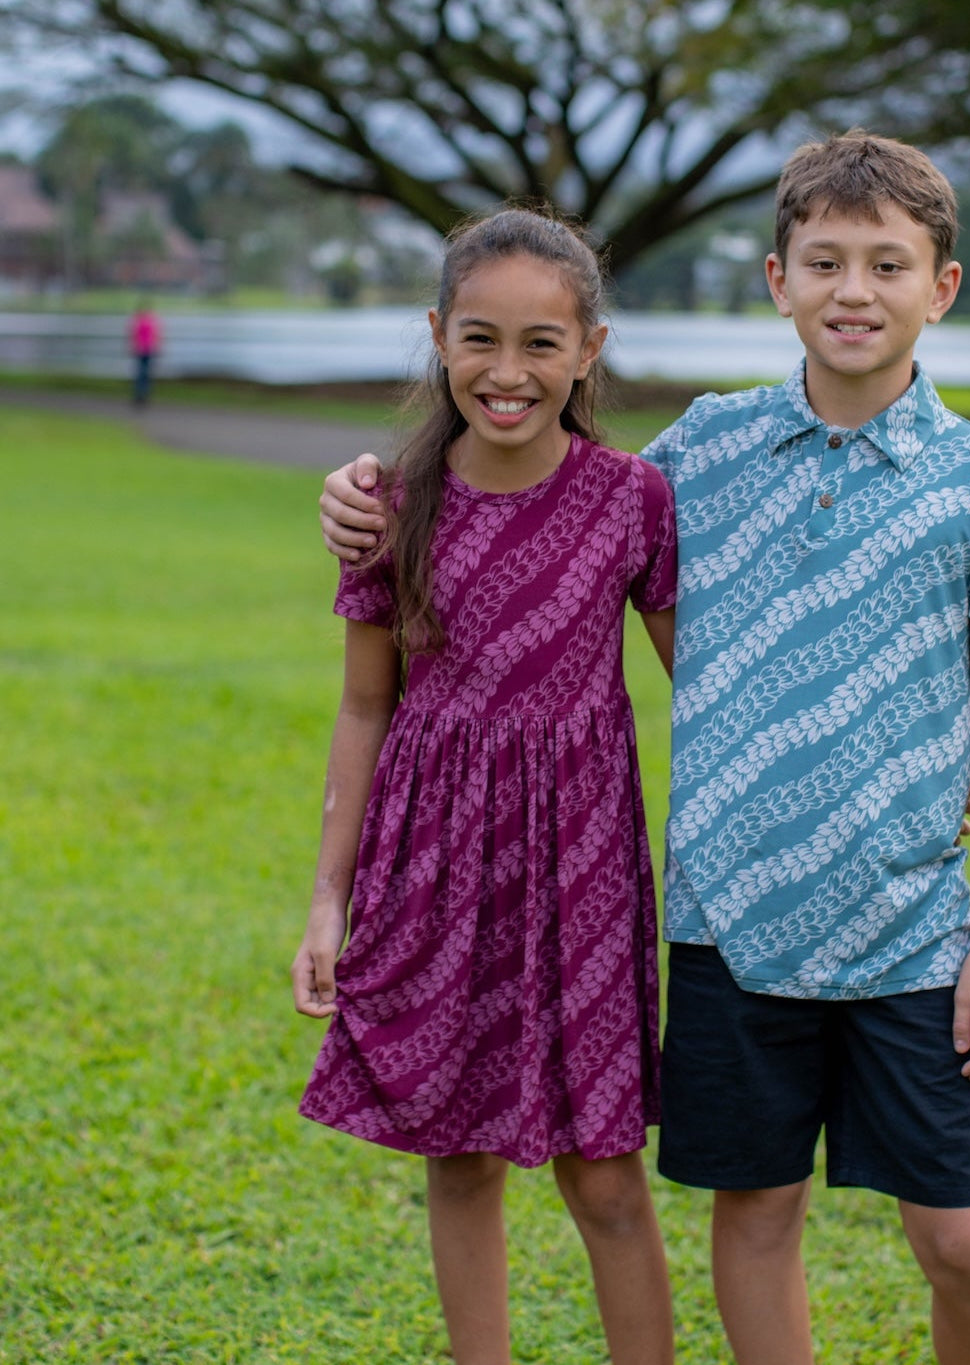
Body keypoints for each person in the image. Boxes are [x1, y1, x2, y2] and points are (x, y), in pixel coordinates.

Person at [318, 130, 970, 1365]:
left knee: (964, 1248)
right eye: (823, 262)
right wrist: (365, 487)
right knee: (756, 1215)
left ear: (941, 288)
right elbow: (533, 479)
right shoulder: (696, 458)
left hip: (913, 934)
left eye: (887, 266)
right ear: (776, 279)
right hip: (730, 926)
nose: (853, 291)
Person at [291, 207, 678, 1365]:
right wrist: (328, 899)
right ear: (437, 336)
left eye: (541, 345)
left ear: (589, 353)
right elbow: (366, 706)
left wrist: (863, 777)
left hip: (583, 871)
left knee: (604, 1176)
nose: (508, 373)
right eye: (480, 339)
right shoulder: (390, 507)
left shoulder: (630, 501)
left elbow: (706, 689)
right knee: (456, 1158)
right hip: (432, 866)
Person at [127, 303, 162, 406]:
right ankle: (143, 394)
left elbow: (133, 334)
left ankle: (141, 394)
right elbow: (156, 335)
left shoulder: (138, 320)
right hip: (146, 349)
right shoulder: (151, 320)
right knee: (144, 372)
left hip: (143, 349)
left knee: (142, 372)